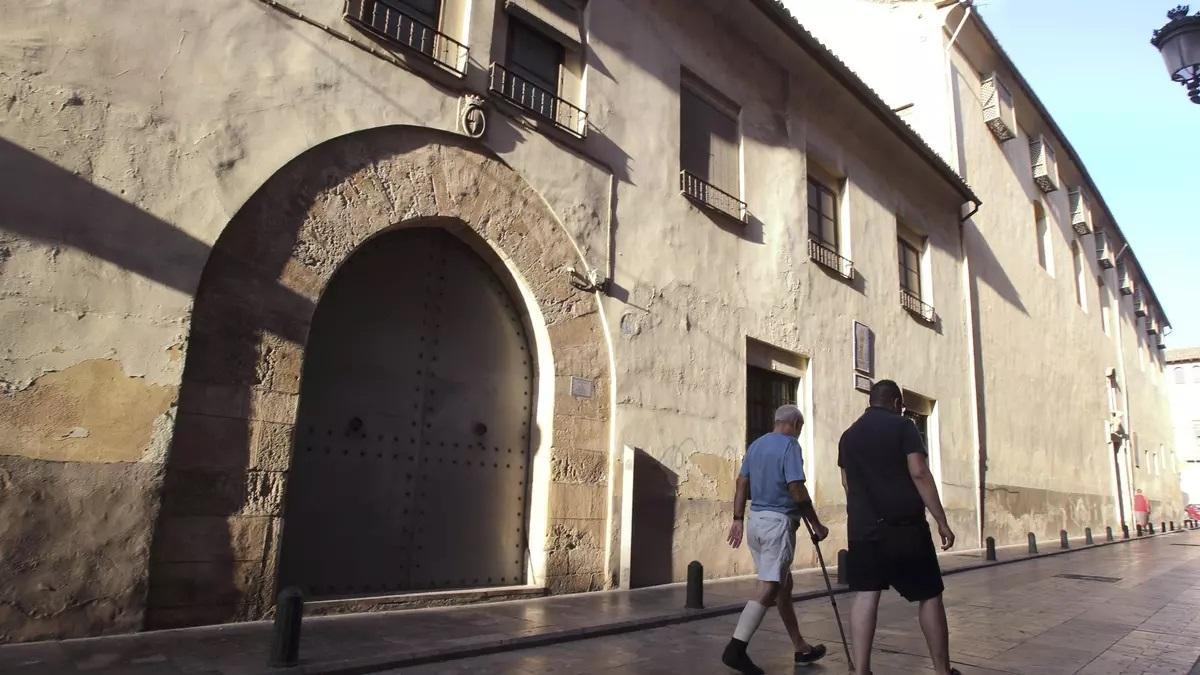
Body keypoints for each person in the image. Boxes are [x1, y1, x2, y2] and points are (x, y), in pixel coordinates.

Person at [838, 380, 960, 675]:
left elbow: (846, 483)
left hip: (864, 530)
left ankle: (862, 670)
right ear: (895, 403)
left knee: (866, 594)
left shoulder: (848, 436)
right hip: (905, 529)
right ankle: (943, 671)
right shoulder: (903, 426)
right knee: (929, 595)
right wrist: (941, 520)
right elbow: (919, 472)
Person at [723, 404, 829, 674]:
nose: (799, 434)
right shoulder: (789, 446)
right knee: (769, 586)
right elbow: (796, 487)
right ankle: (736, 648)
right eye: (800, 428)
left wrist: (737, 518)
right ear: (792, 424)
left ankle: (800, 647)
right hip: (777, 525)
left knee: (784, 586)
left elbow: (741, 483)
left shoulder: (756, 445)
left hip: (755, 522)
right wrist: (816, 524)